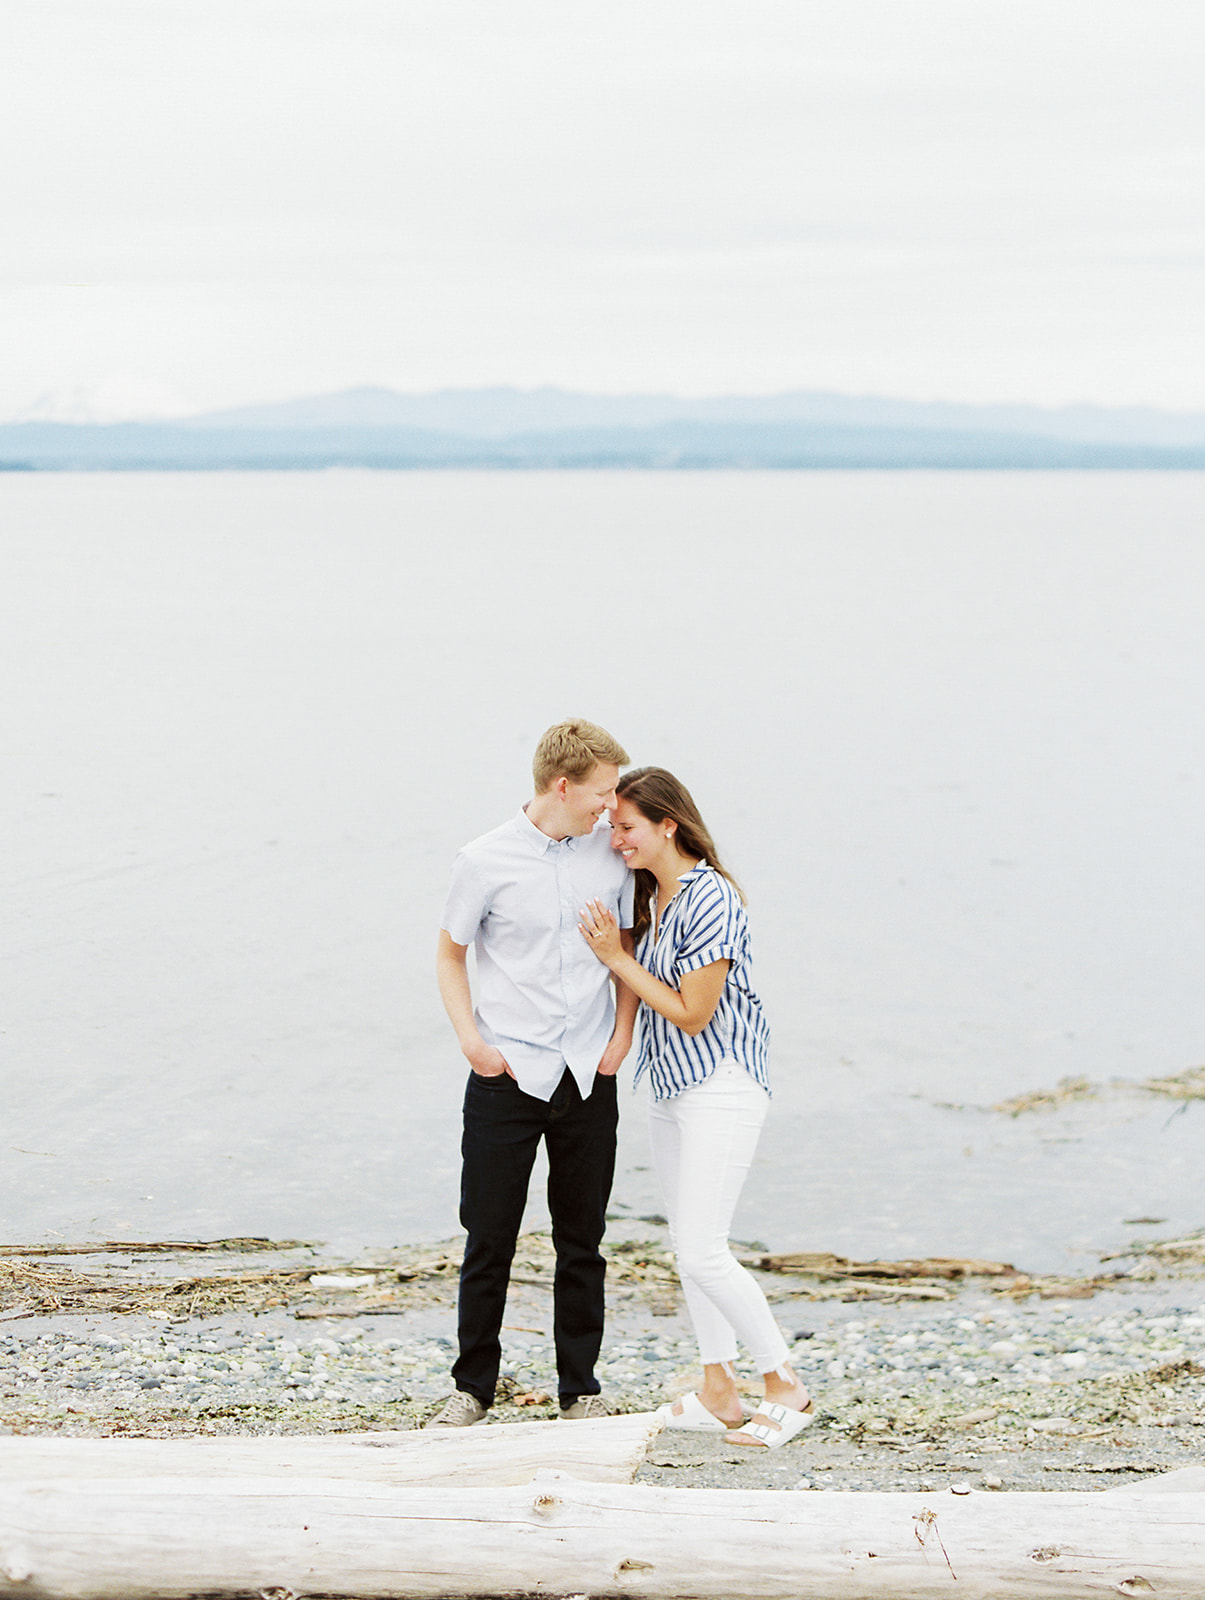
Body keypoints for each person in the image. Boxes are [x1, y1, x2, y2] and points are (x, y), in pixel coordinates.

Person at [578, 766, 814, 1449]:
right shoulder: (660, 897)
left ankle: (785, 1386)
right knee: (687, 1249)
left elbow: (691, 1012)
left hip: (721, 1083)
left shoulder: (710, 898)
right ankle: (719, 1389)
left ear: (667, 825)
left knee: (707, 1251)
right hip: (672, 1088)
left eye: (626, 827)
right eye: (612, 827)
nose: (615, 840)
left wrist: (613, 959)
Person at [428, 719, 638, 1426]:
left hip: (588, 1073)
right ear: (562, 784)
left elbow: (626, 948)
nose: (610, 805)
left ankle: (580, 1389)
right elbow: (450, 954)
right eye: (603, 791)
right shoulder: (483, 860)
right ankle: (472, 1390)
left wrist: (622, 1033)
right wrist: (471, 1043)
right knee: (489, 1236)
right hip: (505, 1074)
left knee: (583, 1240)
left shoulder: (610, 856)